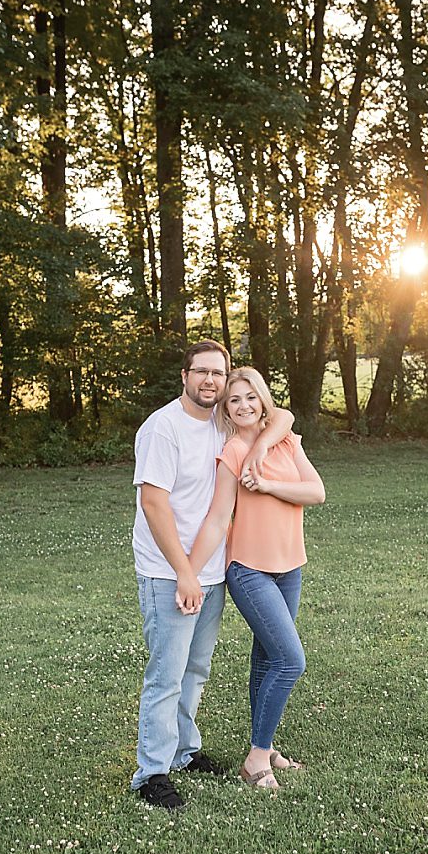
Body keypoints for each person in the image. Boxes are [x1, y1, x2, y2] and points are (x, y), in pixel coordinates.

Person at [130, 339, 292, 810]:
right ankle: (151, 774)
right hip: (169, 571)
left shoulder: (222, 420)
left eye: (217, 374)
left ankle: (183, 751)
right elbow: (153, 503)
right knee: (167, 674)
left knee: (195, 670)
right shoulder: (163, 428)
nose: (209, 381)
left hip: (212, 571)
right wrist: (183, 572)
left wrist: (260, 446)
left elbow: (282, 416)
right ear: (184, 376)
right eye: (200, 371)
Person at [182, 366, 324, 790]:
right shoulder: (230, 454)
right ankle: (257, 757)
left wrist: (265, 484)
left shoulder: (283, 440)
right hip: (249, 570)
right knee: (290, 660)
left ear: (263, 399)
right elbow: (219, 517)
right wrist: (187, 570)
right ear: (226, 408)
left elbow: (316, 491)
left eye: (250, 397)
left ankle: (265, 744)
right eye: (234, 400)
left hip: (290, 567)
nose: (243, 406)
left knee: (266, 658)